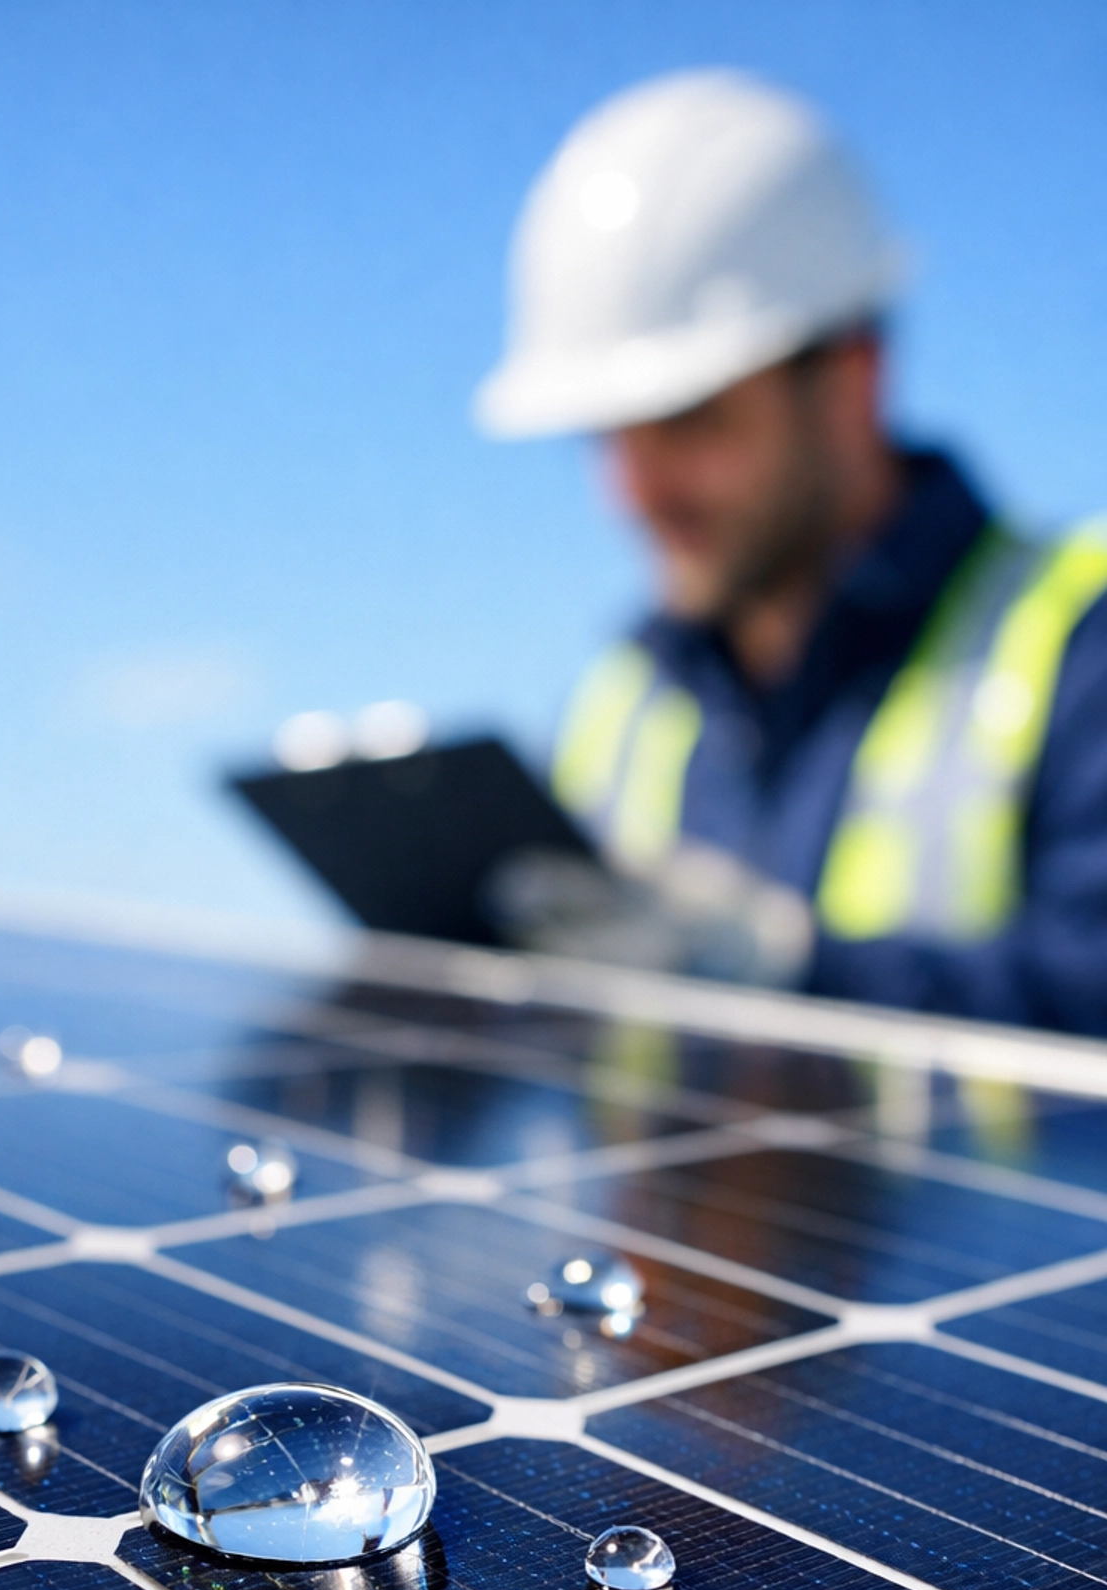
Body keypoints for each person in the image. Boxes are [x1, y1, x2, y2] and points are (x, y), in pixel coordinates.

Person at [474, 69, 1107, 1033]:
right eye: (606, 438)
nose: (633, 492)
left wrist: (786, 971)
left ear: (851, 380)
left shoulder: (1075, 643)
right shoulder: (622, 704)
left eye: (689, 421)